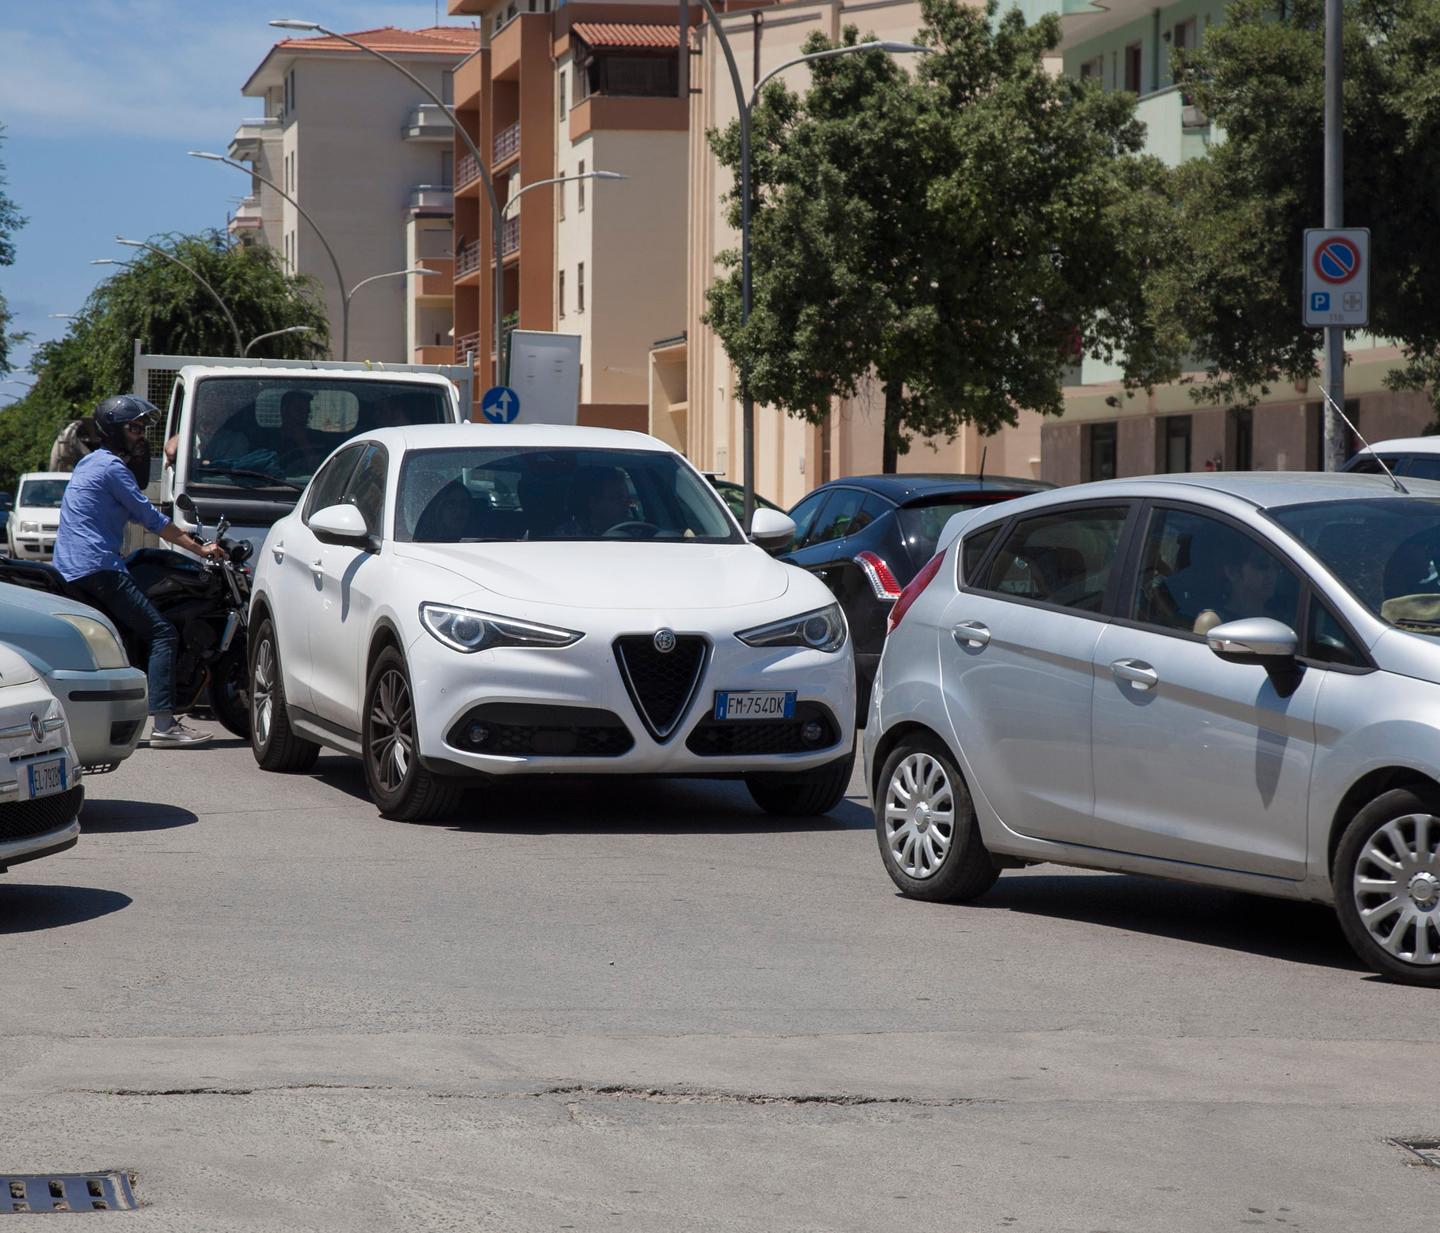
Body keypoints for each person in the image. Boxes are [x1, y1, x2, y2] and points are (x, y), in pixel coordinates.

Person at [54, 395, 227, 748]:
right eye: (134, 428)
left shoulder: (90, 465)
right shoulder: (112, 469)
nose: (140, 436)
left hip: (72, 568)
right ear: (115, 430)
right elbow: (152, 520)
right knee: (163, 633)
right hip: (98, 566)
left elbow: (132, 512)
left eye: (143, 429)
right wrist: (200, 548)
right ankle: (164, 724)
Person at [557, 467, 635, 536]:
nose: (627, 503)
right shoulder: (567, 536)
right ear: (593, 502)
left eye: (628, 498)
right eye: (618, 498)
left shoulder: (637, 531)